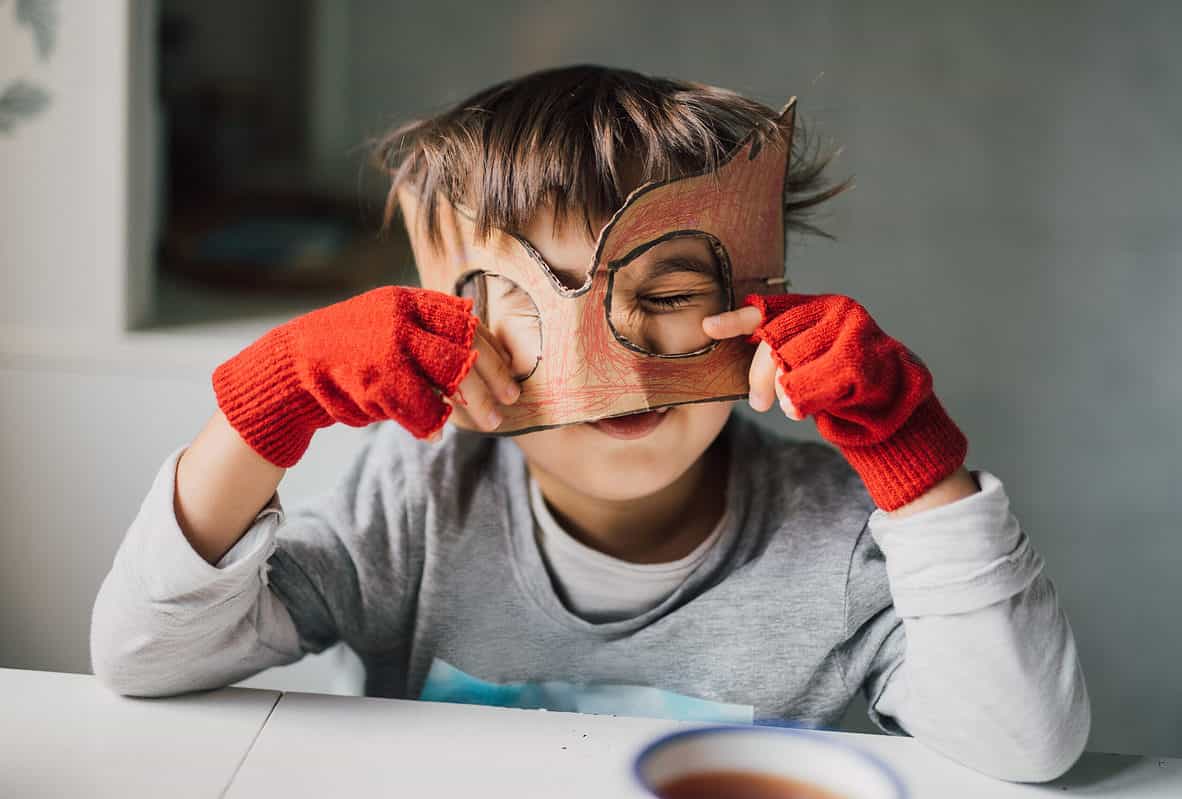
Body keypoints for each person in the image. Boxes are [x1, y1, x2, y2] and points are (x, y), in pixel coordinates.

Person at [91, 64, 1089, 782]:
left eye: (668, 292)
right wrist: (270, 405)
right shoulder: (417, 499)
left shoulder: (835, 534)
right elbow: (143, 657)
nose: (610, 367)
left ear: (759, 311)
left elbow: (1030, 743)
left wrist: (910, 451)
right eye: (525, 307)